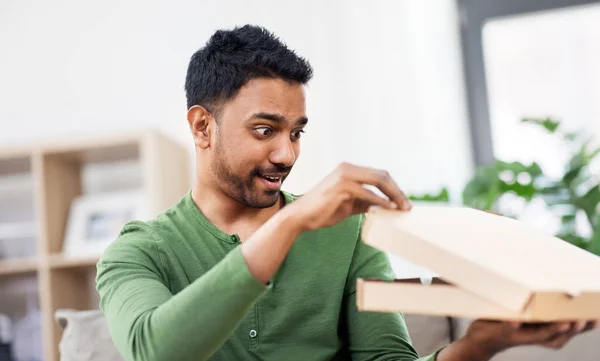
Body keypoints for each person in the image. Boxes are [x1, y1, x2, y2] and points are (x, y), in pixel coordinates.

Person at [95, 25, 598, 361]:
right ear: (203, 126)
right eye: (266, 130)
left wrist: (479, 346)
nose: (287, 156)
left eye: (296, 133)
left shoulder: (348, 235)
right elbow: (155, 350)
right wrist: (291, 222)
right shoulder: (138, 251)